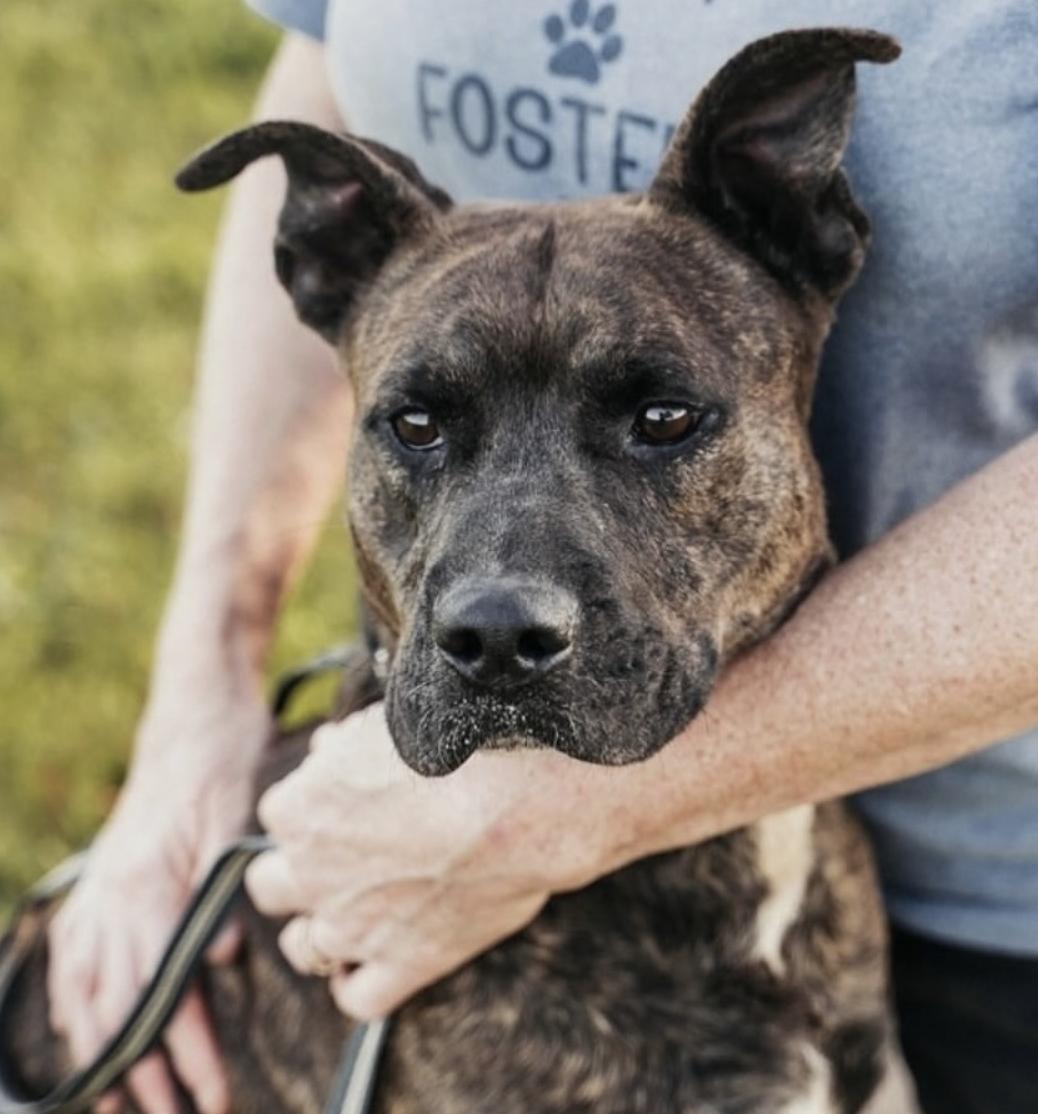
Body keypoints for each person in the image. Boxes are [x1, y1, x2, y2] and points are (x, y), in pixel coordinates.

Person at [47, 3, 1038, 1114]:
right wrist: (200, 694)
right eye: (420, 428)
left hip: (986, 878)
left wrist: (577, 811)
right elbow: (322, 66)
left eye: (661, 420)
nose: (500, 599)